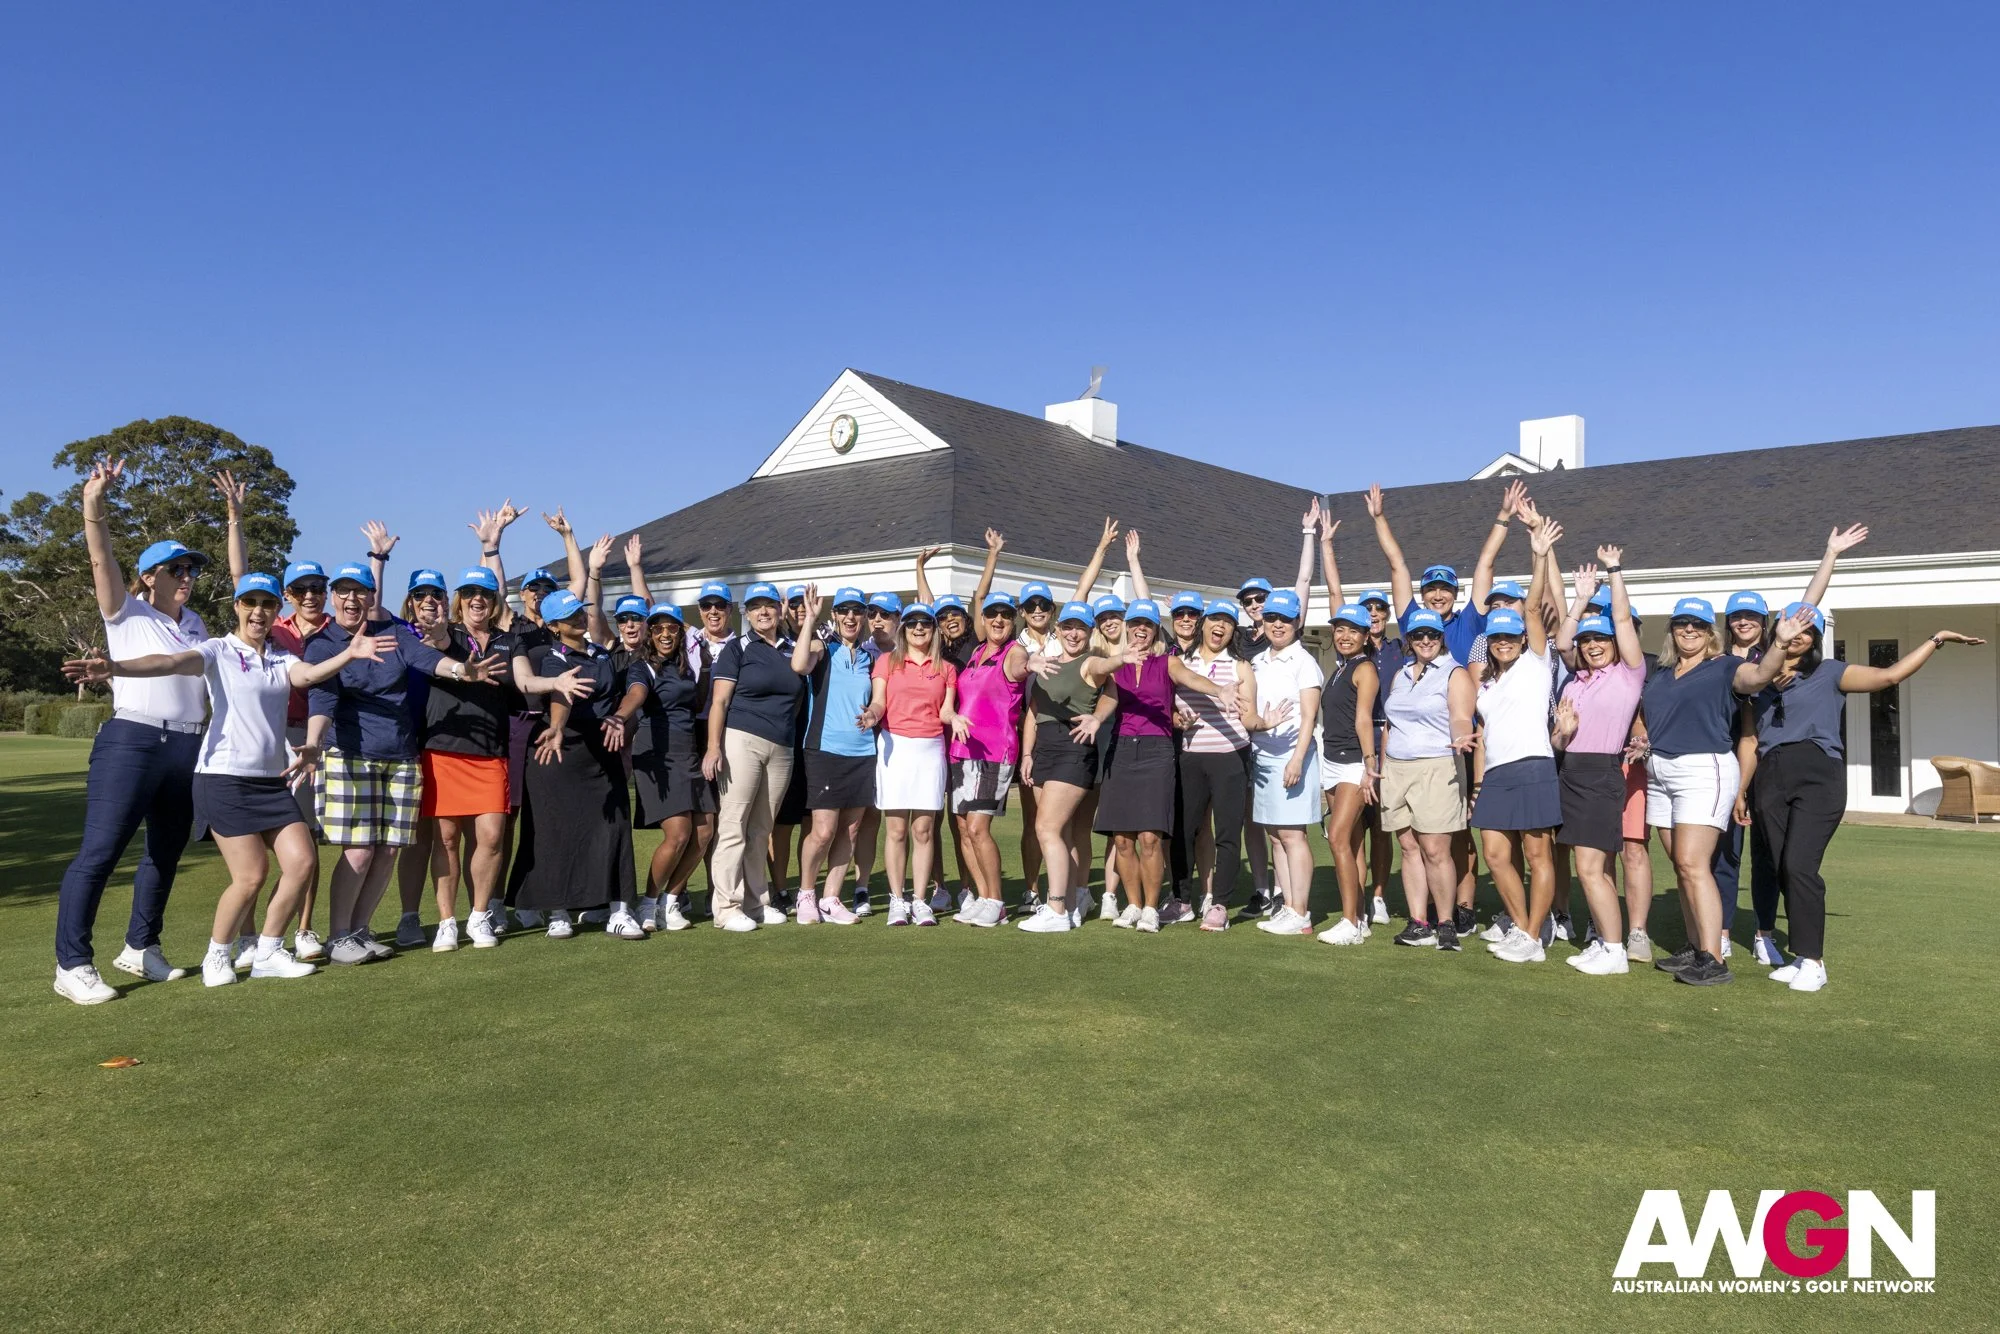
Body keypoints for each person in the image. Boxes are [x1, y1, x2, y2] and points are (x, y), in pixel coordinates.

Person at [63, 573, 400, 986]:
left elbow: (310, 676)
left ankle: (269, 952)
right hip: (223, 778)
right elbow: (170, 663)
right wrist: (116, 668)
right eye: (250, 603)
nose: (259, 611)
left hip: (271, 781)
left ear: (277, 610)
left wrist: (349, 653)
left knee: (302, 862)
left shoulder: (281, 658)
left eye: (267, 604)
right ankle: (217, 955)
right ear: (238, 606)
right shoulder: (217, 649)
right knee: (251, 876)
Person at [1746, 608, 1981, 991]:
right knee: (1781, 867)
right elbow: (1748, 736)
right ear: (1777, 632)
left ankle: (1814, 962)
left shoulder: (1830, 672)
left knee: (1800, 864)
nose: (1800, 635)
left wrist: (1936, 639)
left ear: (1816, 639)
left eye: (1809, 630)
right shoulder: (1759, 677)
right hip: (1770, 776)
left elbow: (1891, 675)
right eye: (1793, 628)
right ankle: (1801, 955)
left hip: (1817, 774)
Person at [54, 460, 210, 1004]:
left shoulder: (195, 625)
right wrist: (93, 503)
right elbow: (101, 556)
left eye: (191, 570)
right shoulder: (124, 611)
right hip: (133, 741)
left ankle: (141, 946)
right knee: (100, 853)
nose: (186, 577)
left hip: (186, 745)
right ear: (149, 577)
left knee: (164, 854)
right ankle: (72, 964)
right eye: (175, 570)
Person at [304, 559, 505, 964]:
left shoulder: (394, 634)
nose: (351, 599)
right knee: (360, 851)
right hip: (351, 755)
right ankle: (339, 935)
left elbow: (429, 660)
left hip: (399, 756)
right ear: (333, 597)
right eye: (343, 591)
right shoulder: (323, 643)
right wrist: (312, 743)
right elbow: (321, 698)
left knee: (389, 851)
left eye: (359, 591)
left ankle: (359, 930)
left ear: (371, 597)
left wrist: (462, 670)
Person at [1369, 480, 1525, 941]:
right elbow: (1397, 565)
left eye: (1445, 589)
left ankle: (1463, 909)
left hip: (1464, 741)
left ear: (1455, 594)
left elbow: (1485, 564)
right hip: (1414, 751)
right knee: (1427, 839)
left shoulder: (1470, 620)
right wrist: (1379, 519)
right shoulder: (1413, 625)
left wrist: (1503, 518)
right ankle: (1437, 914)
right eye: (1431, 589)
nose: (1438, 595)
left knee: (1461, 834)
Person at [1636, 598, 1809, 986]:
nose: (1689, 629)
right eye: (1681, 623)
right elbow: (1646, 719)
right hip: (1660, 772)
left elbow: (1760, 675)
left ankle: (1713, 959)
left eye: (1698, 624)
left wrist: (1780, 642)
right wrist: (1641, 739)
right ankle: (1695, 946)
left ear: (1711, 632)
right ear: (1671, 629)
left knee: (1694, 864)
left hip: (1704, 769)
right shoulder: (1661, 674)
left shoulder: (1725, 666)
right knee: (1681, 867)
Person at [507, 589, 646, 934]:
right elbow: (562, 694)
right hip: (558, 752)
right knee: (557, 833)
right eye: (570, 617)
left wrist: (619, 716)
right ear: (554, 626)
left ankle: (618, 910)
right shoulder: (555, 658)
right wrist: (556, 727)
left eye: (580, 612)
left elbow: (633, 687)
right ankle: (558, 912)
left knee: (614, 829)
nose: (580, 618)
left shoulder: (602, 653)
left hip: (602, 751)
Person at [1094, 599, 1238, 933]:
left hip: (1157, 751)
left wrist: (1220, 691)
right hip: (1121, 750)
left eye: (1147, 624)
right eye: (1135, 624)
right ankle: (1132, 904)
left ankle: (1150, 908)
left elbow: (1190, 678)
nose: (1140, 629)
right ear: (1127, 628)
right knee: (1122, 839)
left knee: (1149, 837)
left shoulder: (1167, 662)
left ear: (1156, 629)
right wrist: (1096, 718)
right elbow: (1105, 690)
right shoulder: (1116, 664)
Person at [1467, 518, 1564, 963]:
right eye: (1497, 637)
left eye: (1510, 636)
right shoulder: (1487, 683)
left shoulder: (1535, 662)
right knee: (1494, 853)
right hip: (1498, 774)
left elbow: (1534, 606)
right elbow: (1483, 735)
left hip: (1533, 766)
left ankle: (1532, 936)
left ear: (1523, 638)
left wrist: (1539, 556)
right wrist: (1479, 781)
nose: (1504, 642)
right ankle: (1524, 927)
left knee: (1537, 853)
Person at [1015, 518, 1120, 912]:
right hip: (1040, 737)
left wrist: (1101, 549)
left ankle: (1076, 895)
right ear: (1024, 612)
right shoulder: (1022, 645)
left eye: (1044, 605)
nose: (1038, 610)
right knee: (1044, 826)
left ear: (1053, 612)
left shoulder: (1072, 640)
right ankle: (1042, 893)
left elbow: (1082, 591)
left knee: (1074, 826)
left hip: (1079, 735)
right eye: (1031, 606)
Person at [1551, 551, 1648, 975]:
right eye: (1587, 640)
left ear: (1614, 644)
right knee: (1591, 868)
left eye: (1600, 640)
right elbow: (1562, 643)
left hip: (1600, 773)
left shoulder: (1628, 674)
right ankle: (1607, 943)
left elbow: (1622, 619)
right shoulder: (1576, 681)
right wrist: (1562, 732)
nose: (1592, 646)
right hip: (1570, 771)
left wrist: (1613, 572)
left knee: (1590, 869)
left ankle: (1613, 950)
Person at [416, 567, 519, 950]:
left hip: (491, 753)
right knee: (446, 839)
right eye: (471, 592)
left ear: (495, 601)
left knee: (491, 837)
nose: (479, 599)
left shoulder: (509, 642)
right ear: (459, 599)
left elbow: (523, 679)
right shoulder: (447, 633)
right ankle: (447, 922)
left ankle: (478, 915)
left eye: (486, 593)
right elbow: (439, 639)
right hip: (444, 748)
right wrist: (440, 633)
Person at [703, 583, 808, 932]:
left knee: (762, 829)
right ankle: (726, 907)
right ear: (746, 613)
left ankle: (756, 902)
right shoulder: (737, 649)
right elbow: (719, 702)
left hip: (782, 747)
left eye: (769, 605)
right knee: (734, 825)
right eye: (755, 607)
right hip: (741, 739)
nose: (763, 612)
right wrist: (713, 747)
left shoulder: (792, 648)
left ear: (780, 609)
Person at [1380, 609, 1477, 950]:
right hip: (1396, 768)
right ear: (1409, 639)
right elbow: (1390, 726)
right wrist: (1380, 766)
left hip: (1437, 765)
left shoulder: (1455, 673)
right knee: (1409, 847)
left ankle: (1446, 923)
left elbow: (1461, 717)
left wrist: (1461, 736)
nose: (1425, 641)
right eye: (1418, 635)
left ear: (1441, 637)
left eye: (1432, 635)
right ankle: (1419, 922)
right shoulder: (1401, 674)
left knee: (1435, 849)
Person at [862, 602, 961, 926]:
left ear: (934, 629)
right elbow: (879, 702)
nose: (919, 628)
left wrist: (955, 718)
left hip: (930, 749)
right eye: (912, 623)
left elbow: (945, 710)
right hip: (895, 747)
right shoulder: (887, 662)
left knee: (923, 829)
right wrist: (872, 715)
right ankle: (897, 900)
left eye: (926, 623)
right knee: (896, 829)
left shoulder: (946, 668)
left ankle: (919, 901)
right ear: (903, 629)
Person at [788, 586, 876, 925]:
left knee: (850, 831)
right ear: (835, 615)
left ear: (864, 616)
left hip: (862, 752)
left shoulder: (869, 658)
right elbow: (799, 665)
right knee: (824, 830)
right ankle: (806, 894)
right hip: (824, 750)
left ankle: (831, 898)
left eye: (857, 611)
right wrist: (810, 620)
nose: (851, 617)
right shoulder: (822, 648)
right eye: (844, 611)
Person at [948, 589, 1033, 926]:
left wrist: (1033, 664)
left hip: (994, 753)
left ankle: (997, 902)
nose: (999, 620)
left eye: (1005, 615)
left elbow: (1021, 668)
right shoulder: (976, 652)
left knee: (978, 827)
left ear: (1013, 621)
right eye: (992, 614)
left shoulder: (1014, 652)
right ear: (982, 619)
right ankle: (984, 897)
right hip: (961, 751)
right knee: (963, 828)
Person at [1178, 600, 1261, 932]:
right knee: (1185, 831)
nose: (1221, 626)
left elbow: (1249, 716)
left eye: (1228, 622)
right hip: (1190, 756)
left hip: (1230, 757)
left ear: (1233, 630)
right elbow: (1170, 711)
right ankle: (1181, 900)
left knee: (1227, 833)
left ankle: (1220, 904)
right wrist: (1178, 720)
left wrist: (1264, 723)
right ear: (1203, 623)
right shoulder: (1182, 662)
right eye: (1215, 619)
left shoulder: (1240, 666)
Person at [629, 603, 712, 932]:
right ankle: (648, 903)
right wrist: (621, 717)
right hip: (657, 755)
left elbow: (699, 703)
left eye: (672, 628)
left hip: (688, 752)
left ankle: (671, 901)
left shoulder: (685, 666)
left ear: (680, 632)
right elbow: (636, 695)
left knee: (704, 831)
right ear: (650, 633)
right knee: (678, 834)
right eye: (658, 628)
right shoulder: (643, 667)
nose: (665, 634)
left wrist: (706, 663)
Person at [1247, 589, 1323, 937]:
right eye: (1271, 618)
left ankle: (1301, 912)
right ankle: (1288, 906)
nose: (1277, 624)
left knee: (1292, 835)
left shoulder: (1304, 662)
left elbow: (1309, 717)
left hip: (1292, 756)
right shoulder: (1258, 661)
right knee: (1276, 836)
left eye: (1285, 619)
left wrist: (1296, 760)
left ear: (1297, 622)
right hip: (1262, 756)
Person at [1312, 603, 1379, 944]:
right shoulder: (1340, 669)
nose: (1345, 636)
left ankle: (1349, 922)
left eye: (1354, 630)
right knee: (1352, 844)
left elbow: (1363, 718)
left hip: (1354, 763)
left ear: (1366, 636)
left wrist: (1370, 764)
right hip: (1332, 762)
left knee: (1338, 838)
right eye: (1340, 629)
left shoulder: (1364, 668)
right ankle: (1360, 918)